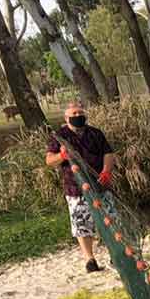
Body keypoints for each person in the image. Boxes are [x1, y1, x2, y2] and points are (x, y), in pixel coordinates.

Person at [44, 101, 116, 273]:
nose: (78, 116)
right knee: (82, 224)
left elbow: (108, 153)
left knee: (111, 219)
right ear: (66, 117)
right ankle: (90, 260)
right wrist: (61, 155)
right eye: (74, 114)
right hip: (75, 188)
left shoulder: (95, 133)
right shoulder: (59, 136)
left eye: (80, 113)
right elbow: (49, 160)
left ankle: (115, 253)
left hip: (99, 184)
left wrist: (106, 171)